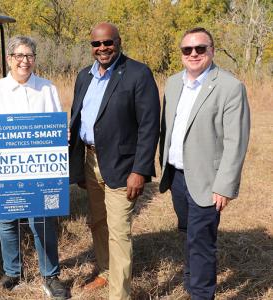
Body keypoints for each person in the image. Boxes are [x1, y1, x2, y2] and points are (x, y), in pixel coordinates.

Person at [68, 23, 160, 299]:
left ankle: (119, 295)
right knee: (98, 222)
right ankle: (106, 271)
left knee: (119, 232)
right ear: (91, 47)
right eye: (96, 44)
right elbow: (78, 117)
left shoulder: (137, 73)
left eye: (108, 42)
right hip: (90, 159)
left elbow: (149, 125)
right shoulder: (84, 76)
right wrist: (78, 167)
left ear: (118, 42)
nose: (102, 48)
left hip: (122, 165)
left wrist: (140, 170)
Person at [159, 27, 250, 300]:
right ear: (181, 54)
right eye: (188, 49)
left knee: (201, 241)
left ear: (212, 50)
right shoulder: (173, 83)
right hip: (176, 175)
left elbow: (237, 141)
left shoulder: (230, 87)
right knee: (189, 232)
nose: (194, 54)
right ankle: (190, 281)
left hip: (208, 180)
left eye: (201, 48)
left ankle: (201, 294)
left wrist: (225, 185)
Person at [0, 36, 68, 299]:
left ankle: (50, 275)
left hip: (39, 167)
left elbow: (55, 126)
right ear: (9, 59)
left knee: (42, 220)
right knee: (8, 220)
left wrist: (63, 133)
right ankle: (12, 272)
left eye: (29, 56)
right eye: (19, 56)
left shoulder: (48, 88)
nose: (24, 61)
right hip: (5, 166)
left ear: (34, 59)